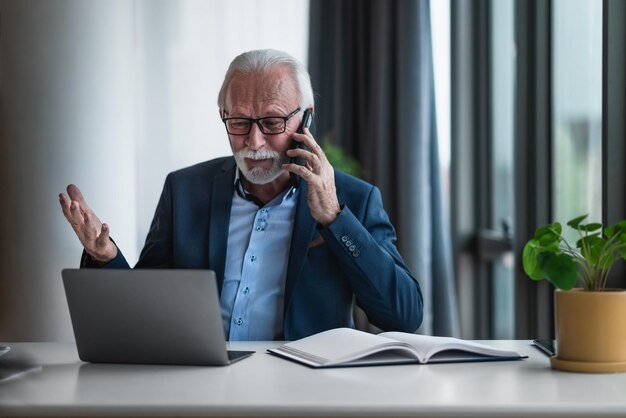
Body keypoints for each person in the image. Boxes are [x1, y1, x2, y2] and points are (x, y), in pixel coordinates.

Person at [59, 49, 423, 341]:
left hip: (307, 390)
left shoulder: (353, 199)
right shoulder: (184, 190)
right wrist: (105, 257)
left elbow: (403, 316)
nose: (254, 142)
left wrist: (334, 218)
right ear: (223, 115)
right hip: (203, 383)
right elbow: (144, 309)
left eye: (272, 122)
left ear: (305, 119)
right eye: (239, 123)